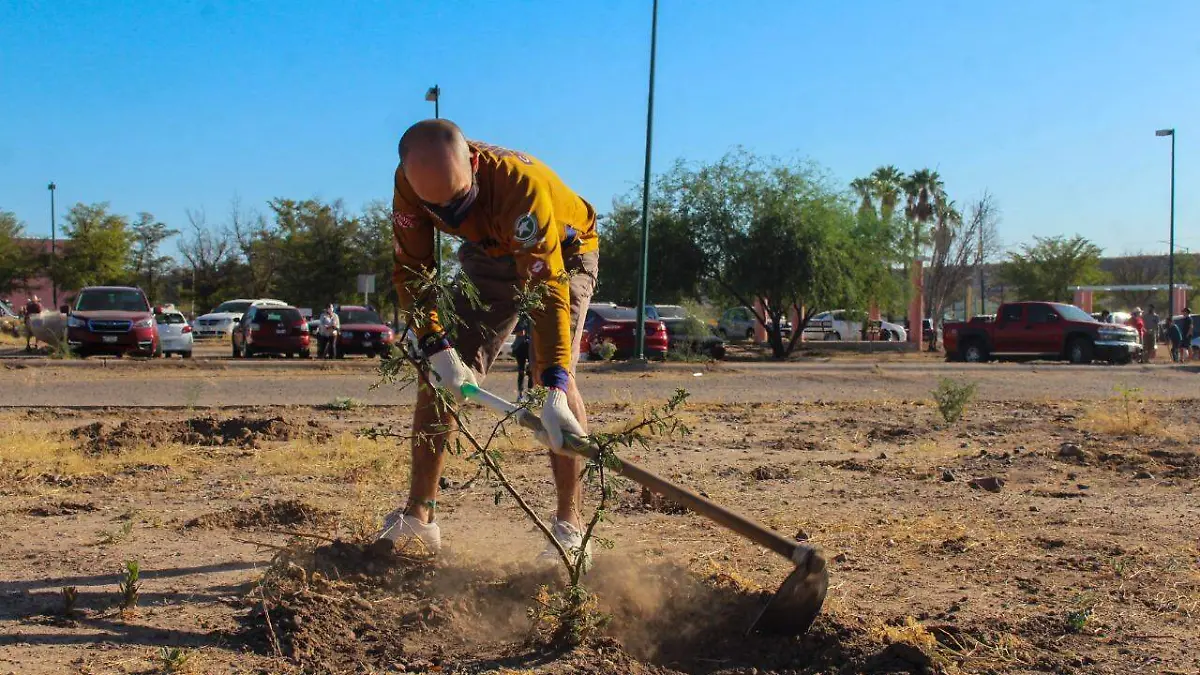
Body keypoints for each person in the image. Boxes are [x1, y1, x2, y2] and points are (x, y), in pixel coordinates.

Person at [377, 119, 599, 563]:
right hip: (488, 252)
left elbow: (546, 290)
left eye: (459, 201)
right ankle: (419, 518)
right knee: (435, 381)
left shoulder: (520, 187)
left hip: (563, 252)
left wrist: (555, 385)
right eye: (439, 209)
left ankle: (570, 530)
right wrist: (436, 345)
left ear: (474, 165)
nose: (452, 217)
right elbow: (413, 272)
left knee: (549, 375)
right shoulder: (409, 185)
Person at [512, 319, 531, 398]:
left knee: (531, 370)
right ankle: (520, 393)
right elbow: (513, 330)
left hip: (531, 347)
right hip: (520, 347)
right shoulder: (521, 319)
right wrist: (519, 332)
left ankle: (530, 393)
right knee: (521, 371)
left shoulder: (534, 319)